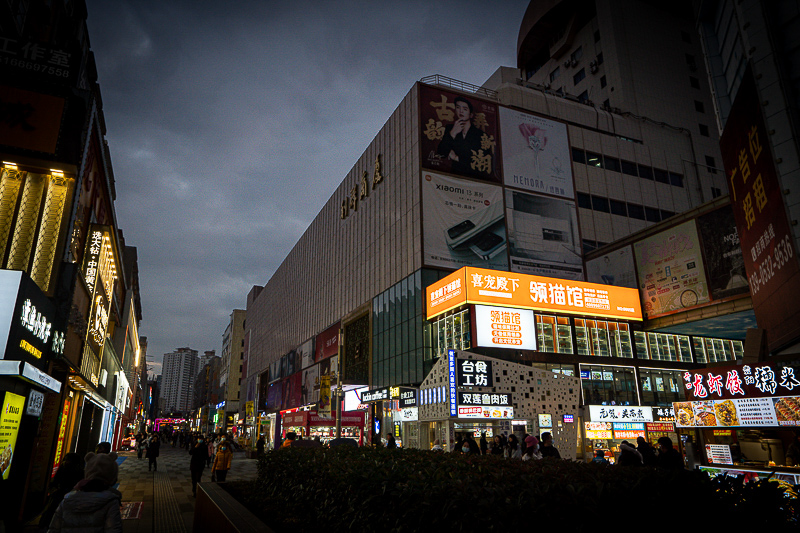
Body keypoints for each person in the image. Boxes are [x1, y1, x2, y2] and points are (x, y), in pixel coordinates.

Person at [46, 452, 122, 533]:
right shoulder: (110, 501)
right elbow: (113, 529)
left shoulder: (67, 499)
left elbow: (54, 528)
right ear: (112, 476)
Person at [435, 96, 489, 178]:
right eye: (458, 107)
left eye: (465, 109)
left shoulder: (480, 135)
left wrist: (456, 158)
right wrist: (453, 133)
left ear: (471, 114)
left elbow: (481, 161)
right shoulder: (450, 129)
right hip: (454, 176)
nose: (461, 111)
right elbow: (441, 153)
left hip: (475, 178)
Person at [39, 453, 84, 529]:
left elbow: (55, 481)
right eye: (65, 459)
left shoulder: (67, 469)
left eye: (68, 460)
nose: (66, 462)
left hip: (61, 495)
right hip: (63, 495)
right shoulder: (78, 470)